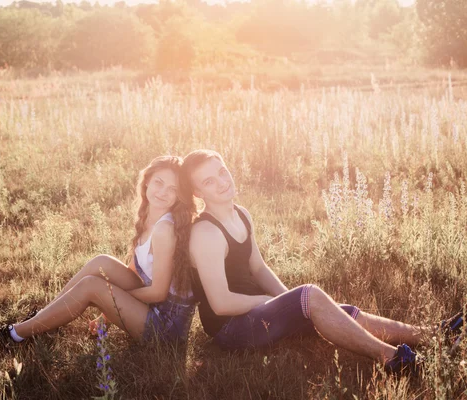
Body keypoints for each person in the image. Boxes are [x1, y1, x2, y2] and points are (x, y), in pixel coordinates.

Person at [179, 149, 463, 373]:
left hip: (256, 313)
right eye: (208, 181)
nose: (222, 182)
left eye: (222, 172)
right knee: (310, 296)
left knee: (336, 309)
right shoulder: (206, 233)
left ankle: (432, 336)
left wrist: (287, 301)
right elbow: (220, 303)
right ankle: (394, 360)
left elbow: (258, 267)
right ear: (198, 193)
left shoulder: (240, 213)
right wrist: (272, 302)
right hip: (232, 329)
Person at [0, 155, 196, 345]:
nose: (163, 192)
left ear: (179, 196)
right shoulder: (149, 217)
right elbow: (134, 269)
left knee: (91, 286)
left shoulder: (165, 228)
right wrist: (110, 305)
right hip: (153, 307)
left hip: (166, 328)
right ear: (147, 182)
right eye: (159, 182)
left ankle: (15, 334)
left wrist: (109, 301)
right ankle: (44, 317)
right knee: (102, 262)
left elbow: (159, 293)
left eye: (173, 189)